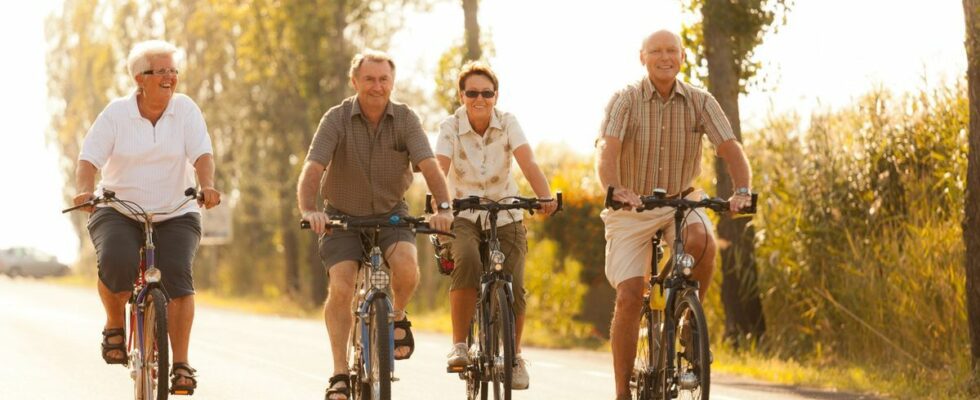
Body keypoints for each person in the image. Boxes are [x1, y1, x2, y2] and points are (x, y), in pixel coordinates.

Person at [595, 30, 753, 399]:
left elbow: (730, 148)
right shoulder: (625, 100)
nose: (664, 57)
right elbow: (608, 149)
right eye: (656, 51)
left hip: (681, 200)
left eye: (671, 51)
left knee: (702, 241)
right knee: (630, 295)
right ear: (642, 57)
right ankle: (622, 392)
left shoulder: (700, 100)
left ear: (682, 58)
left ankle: (685, 321)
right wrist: (615, 189)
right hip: (632, 205)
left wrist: (742, 190)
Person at [296, 49, 454, 400]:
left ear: (392, 83)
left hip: (391, 214)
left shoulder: (406, 119)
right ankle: (339, 372)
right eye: (369, 79)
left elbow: (429, 166)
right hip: (342, 217)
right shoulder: (336, 119)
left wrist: (443, 207)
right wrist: (310, 210)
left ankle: (395, 317)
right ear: (355, 82)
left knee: (408, 269)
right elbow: (313, 169)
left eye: (384, 79)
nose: (377, 86)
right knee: (341, 285)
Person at [73, 39, 221, 395]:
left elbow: (202, 153)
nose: (170, 77)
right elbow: (88, 159)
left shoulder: (185, 110)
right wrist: (84, 191)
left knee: (178, 277)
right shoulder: (116, 114)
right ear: (140, 78)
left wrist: (208, 185)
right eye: (161, 71)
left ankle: (181, 363)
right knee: (116, 259)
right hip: (119, 208)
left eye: (173, 70)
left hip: (176, 209)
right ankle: (114, 325)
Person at [435, 62, 558, 390]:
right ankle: (459, 344)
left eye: (486, 93)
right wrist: (440, 205)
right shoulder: (450, 126)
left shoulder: (508, 123)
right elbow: (439, 166)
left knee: (515, 286)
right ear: (462, 95)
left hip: (506, 211)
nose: (480, 98)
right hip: (463, 212)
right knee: (468, 259)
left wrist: (544, 196)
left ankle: (514, 357)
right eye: (472, 92)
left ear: (496, 96)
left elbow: (527, 161)